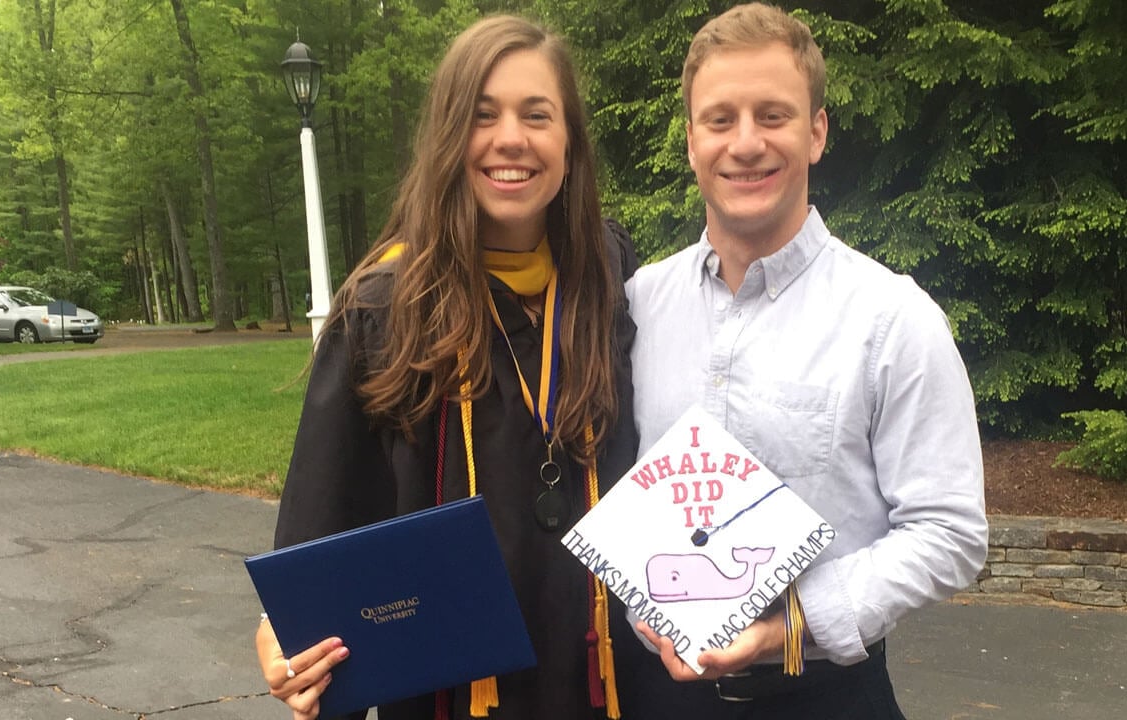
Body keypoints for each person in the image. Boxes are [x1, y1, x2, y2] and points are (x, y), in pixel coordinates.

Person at [253, 15, 642, 720]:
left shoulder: (607, 278)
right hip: (449, 698)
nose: (511, 139)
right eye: (481, 115)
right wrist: (284, 638)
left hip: (597, 684)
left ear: (570, 142)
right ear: (446, 138)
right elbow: (321, 516)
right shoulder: (387, 306)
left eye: (537, 115)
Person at [620, 4, 988, 718]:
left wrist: (787, 625)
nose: (746, 143)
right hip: (651, 698)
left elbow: (951, 534)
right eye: (720, 119)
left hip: (824, 697)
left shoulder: (892, 320)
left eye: (773, 115)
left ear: (816, 132)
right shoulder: (635, 307)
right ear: (692, 140)